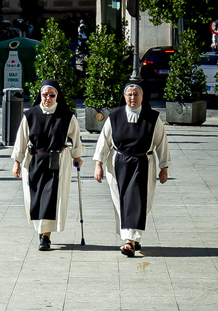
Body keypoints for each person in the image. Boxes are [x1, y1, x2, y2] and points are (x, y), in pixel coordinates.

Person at [94, 83, 171, 257]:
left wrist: (163, 167)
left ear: (142, 97)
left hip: (144, 162)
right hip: (118, 163)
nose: (132, 98)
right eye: (129, 94)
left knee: (141, 202)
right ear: (124, 96)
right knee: (122, 202)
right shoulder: (114, 116)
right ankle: (130, 241)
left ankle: (132, 239)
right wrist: (98, 164)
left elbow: (161, 142)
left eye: (136, 94)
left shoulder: (152, 118)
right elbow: (104, 141)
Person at [10, 80, 85, 251]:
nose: (48, 98)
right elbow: (21, 139)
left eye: (52, 95)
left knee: (52, 198)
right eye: (45, 95)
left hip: (58, 161)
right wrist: (17, 162)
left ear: (57, 96)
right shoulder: (30, 115)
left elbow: (76, 136)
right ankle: (41, 231)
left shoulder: (66, 116)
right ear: (40, 95)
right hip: (35, 160)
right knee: (35, 197)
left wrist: (77, 156)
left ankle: (45, 236)